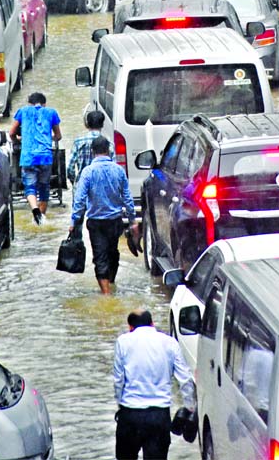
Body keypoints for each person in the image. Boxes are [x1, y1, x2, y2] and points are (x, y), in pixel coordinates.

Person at [113, 309, 196, 460]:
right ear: (152, 324)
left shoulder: (123, 342)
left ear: (130, 327)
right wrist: (190, 408)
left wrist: (120, 405)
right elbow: (185, 379)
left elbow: (119, 380)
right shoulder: (170, 342)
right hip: (159, 416)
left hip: (130, 414)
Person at [69, 136, 138, 294]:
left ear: (93, 152)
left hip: (96, 222)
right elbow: (127, 198)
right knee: (113, 253)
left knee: (100, 256)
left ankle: (106, 293)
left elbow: (79, 200)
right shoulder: (118, 170)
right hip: (115, 221)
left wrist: (74, 221)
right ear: (108, 150)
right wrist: (133, 221)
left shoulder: (88, 172)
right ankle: (110, 284)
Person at [10, 92, 61, 225]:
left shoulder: (23, 111)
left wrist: (18, 140)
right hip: (45, 156)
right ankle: (41, 220)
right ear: (44, 103)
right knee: (44, 187)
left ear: (30, 103)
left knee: (30, 187)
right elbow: (58, 135)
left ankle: (34, 209)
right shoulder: (51, 112)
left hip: (28, 156)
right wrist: (51, 139)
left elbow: (11, 133)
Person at [67, 110, 109, 187]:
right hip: (102, 186)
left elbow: (70, 168)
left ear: (87, 124)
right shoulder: (109, 143)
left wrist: (75, 181)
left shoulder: (78, 142)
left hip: (82, 185)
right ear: (102, 124)